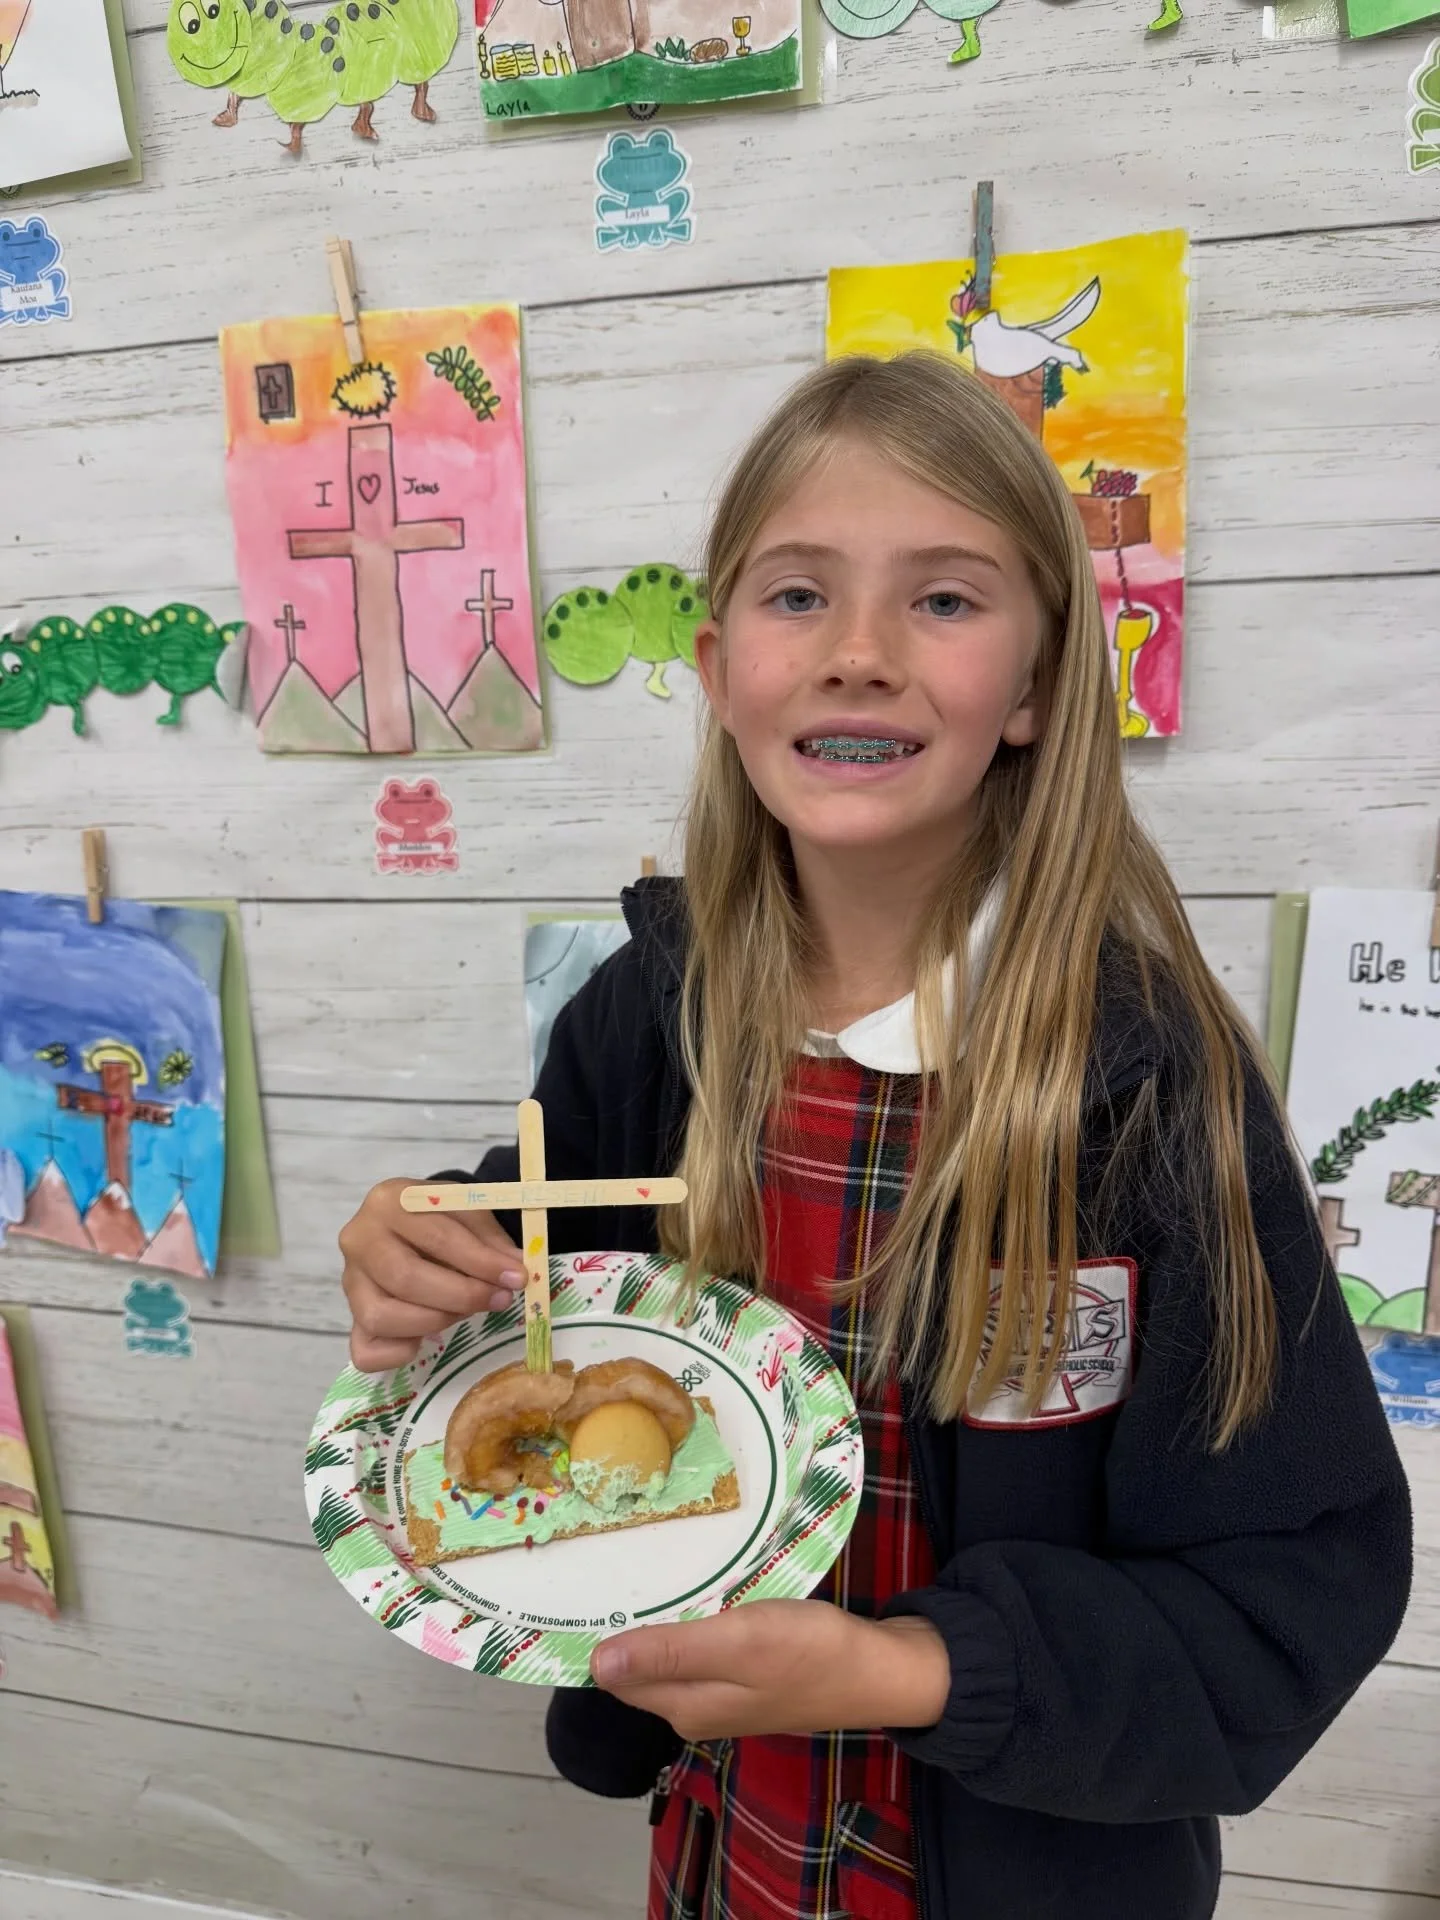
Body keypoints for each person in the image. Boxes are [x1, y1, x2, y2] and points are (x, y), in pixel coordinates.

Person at [339, 353, 1412, 1920]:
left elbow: (1285, 1606)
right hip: (726, 1848)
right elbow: (530, 1280)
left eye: (946, 601)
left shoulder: (1155, 1099)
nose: (857, 655)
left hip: (1027, 1873)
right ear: (717, 669)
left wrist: (909, 1668)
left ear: (1041, 685)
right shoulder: (652, 1018)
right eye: (796, 598)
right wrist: (427, 1249)